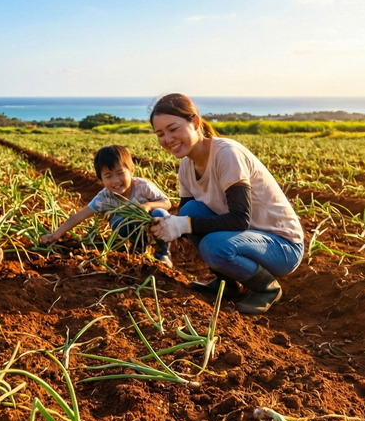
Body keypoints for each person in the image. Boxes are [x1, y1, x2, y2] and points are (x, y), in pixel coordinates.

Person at [149, 93, 304, 314]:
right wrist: (161, 226)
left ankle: (267, 289)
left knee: (213, 245)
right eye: (160, 134)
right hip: (244, 237)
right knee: (191, 211)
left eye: (173, 129)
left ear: (195, 122)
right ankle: (228, 283)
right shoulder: (186, 166)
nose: (168, 139)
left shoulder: (227, 154)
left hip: (281, 246)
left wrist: (183, 225)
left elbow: (240, 219)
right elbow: (187, 214)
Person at [40, 145, 173, 267]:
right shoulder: (104, 198)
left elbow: (167, 203)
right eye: (108, 176)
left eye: (120, 173)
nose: (115, 181)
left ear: (132, 170)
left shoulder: (143, 187)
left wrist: (149, 205)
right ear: (101, 179)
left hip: (153, 226)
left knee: (161, 214)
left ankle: (164, 253)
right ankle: (138, 246)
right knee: (119, 222)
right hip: (128, 228)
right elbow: (77, 217)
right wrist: (54, 236)